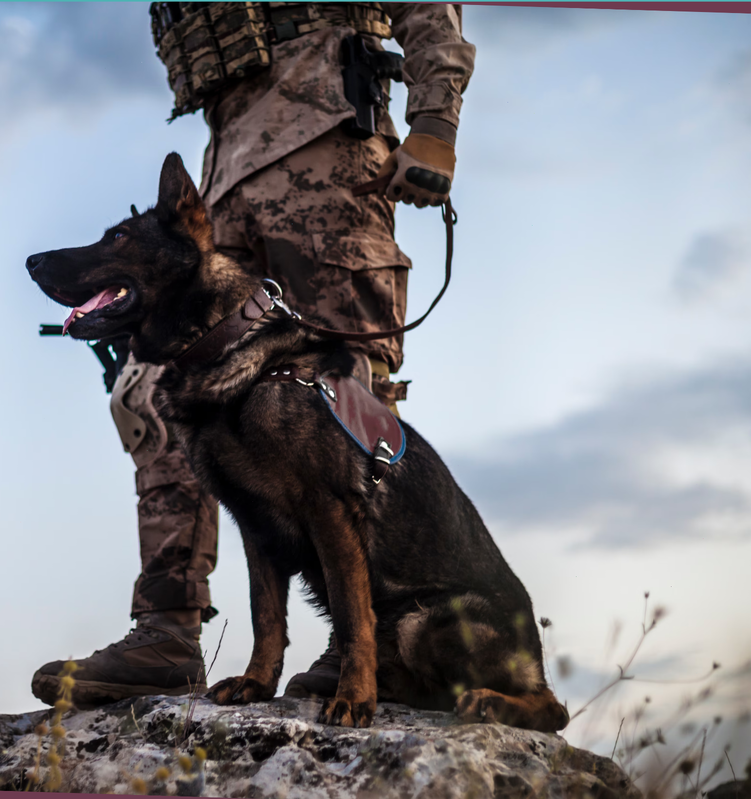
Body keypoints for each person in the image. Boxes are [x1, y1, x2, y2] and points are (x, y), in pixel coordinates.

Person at [32, 1, 476, 708]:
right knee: (151, 392)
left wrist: (434, 123)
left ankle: (360, 641)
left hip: (328, 141)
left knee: (343, 393)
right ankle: (168, 631)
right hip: (224, 168)